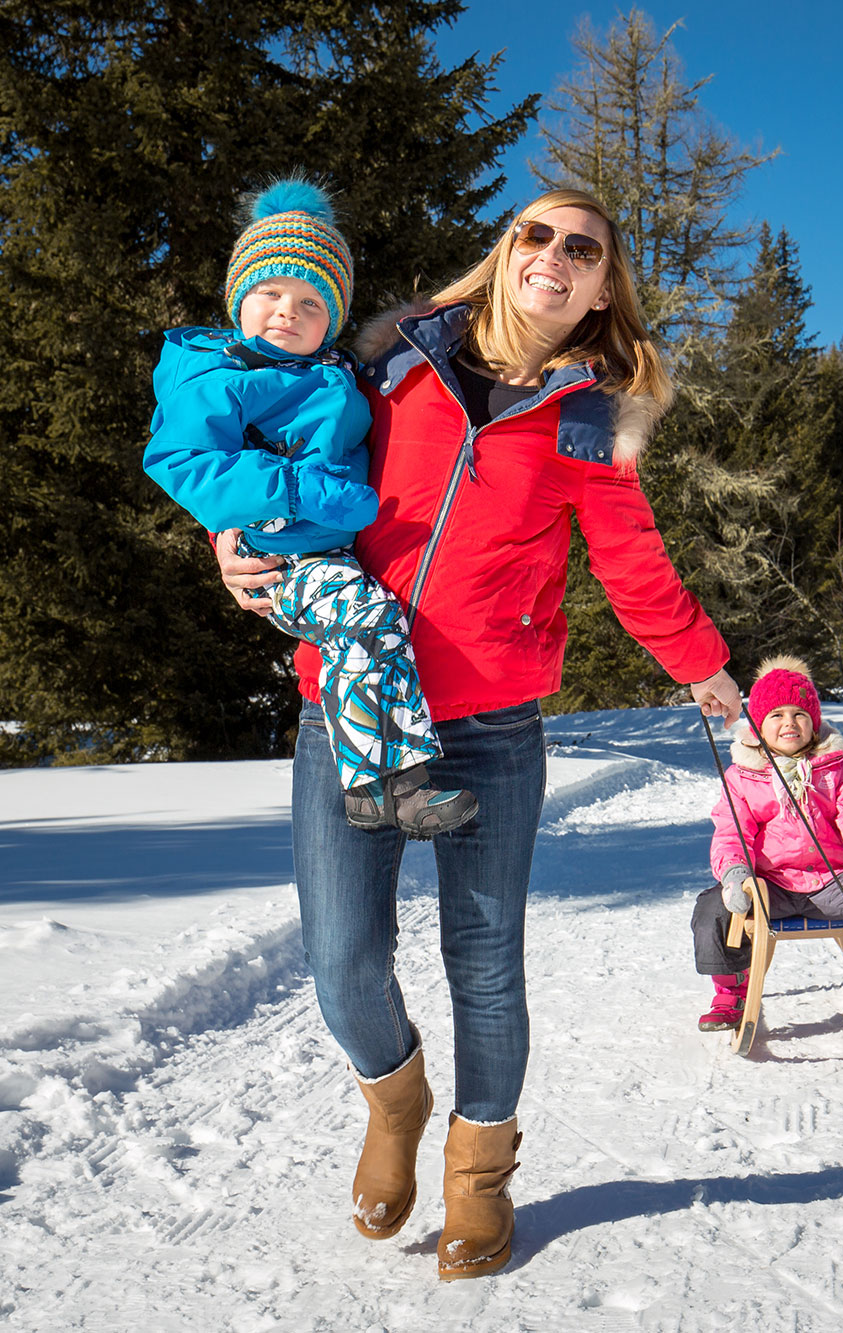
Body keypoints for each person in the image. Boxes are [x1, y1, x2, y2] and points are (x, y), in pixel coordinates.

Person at [213, 189, 742, 1281]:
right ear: (506, 255)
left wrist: (704, 666)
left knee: (484, 964)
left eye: (582, 248)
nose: (553, 255)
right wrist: (228, 542)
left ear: (601, 290)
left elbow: (633, 568)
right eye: (536, 234)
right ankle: (393, 1101)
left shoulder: (589, 420)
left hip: (492, 724)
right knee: (339, 957)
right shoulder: (389, 364)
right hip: (347, 704)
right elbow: (272, 455)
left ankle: (478, 1181)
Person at [144, 178, 476, 838]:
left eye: (310, 302)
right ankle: (388, 784)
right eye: (269, 293)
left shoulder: (333, 372)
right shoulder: (217, 376)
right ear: (239, 299)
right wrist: (296, 490)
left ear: (332, 317)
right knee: (365, 617)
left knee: (373, 629)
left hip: (330, 550)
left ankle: (388, 789)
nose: (286, 311)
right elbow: (180, 462)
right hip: (281, 552)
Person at [693, 655, 843, 1030]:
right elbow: (733, 831)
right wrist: (736, 875)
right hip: (770, 888)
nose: (789, 723)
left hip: (833, 883)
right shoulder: (743, 777)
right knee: (713, 908)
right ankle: (731, 993)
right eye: (777, 715)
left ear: (814, 724)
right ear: (758, 727)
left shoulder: (835, 772)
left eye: (799, 714)